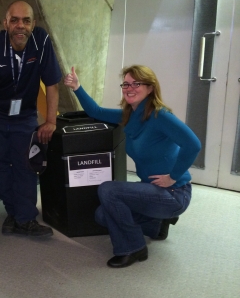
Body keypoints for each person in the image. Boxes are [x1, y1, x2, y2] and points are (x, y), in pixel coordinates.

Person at [64, 65, 201, 268]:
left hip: (174, 193)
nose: (129, 88)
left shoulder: (160, 116)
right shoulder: (131, 116)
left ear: (150, 88)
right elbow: (96, 111)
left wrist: (173, 176)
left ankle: (133, 247)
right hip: (153, 189)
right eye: (126, 84)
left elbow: (193, 144)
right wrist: (77, 87)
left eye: (136, 83)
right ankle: (156, 225)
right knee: (102, 215)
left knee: (108, 189)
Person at [0, 1, 62, 237]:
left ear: (33, 23)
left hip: (25, 117)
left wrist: (51, 120)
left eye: (26, 20)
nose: (20, 25)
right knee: (1, 166)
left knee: (26, 165)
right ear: (5, 23)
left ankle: (25, 217)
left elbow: (52, 83)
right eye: (15, 20)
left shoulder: (41, 41)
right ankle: (13, 213)